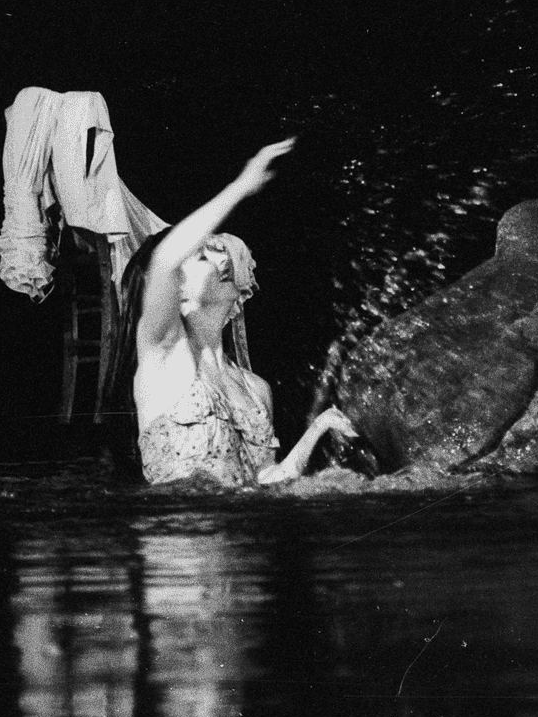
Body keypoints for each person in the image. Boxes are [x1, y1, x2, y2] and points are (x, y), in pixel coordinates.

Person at [111, 138, 357, 486]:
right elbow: (165, 260)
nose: (222, 259)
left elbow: (267, 478)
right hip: (179, 519)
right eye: (202, 256)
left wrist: (319, 427)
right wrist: (242, 185)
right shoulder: (162, 354)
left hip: (239, 519)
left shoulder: (255, 388)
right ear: (177, 292)